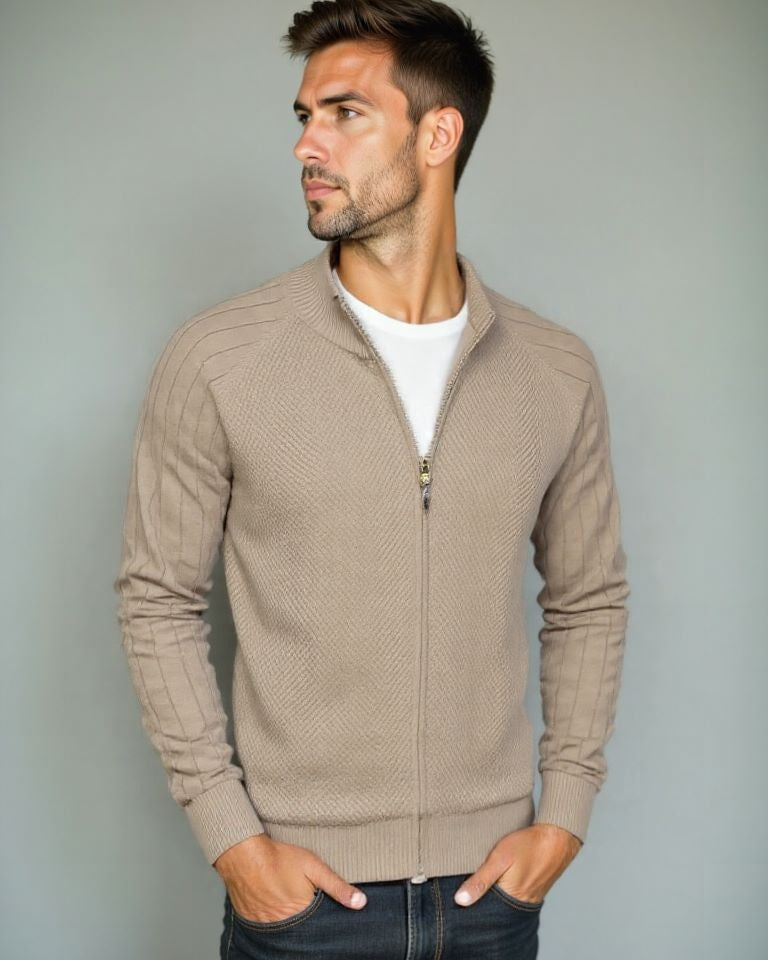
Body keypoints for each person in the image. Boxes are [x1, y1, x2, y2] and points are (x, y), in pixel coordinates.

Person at [113, 1, 630, 957]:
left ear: (438, 134)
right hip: (301, 902)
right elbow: (158, 600)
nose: (307, 146)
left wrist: (564, 813)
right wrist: (233, 842)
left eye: (345, 114)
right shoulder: (221, 358)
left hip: (492, 901)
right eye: (304, 116)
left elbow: (589, 597)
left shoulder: (554, 371)